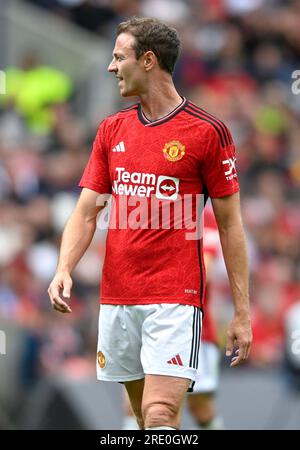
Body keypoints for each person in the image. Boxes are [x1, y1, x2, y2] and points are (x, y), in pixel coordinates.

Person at [48, 17, 252, 430]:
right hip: (118, 296)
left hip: (175, 297)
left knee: (161, 414)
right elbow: (87, 211)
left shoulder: (207, 132)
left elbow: (230, 226)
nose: (110, 67)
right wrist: (63, 268)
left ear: (147, 60)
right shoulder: (111, 129)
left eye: (118, 57)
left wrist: (241, 311)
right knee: (142, 420)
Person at [186, 204, 224, 430]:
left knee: (200, 406)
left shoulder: (203, 216)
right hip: (146, 319)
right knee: (146, 405)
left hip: (194, 329)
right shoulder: (147, 208)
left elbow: (204, 271)